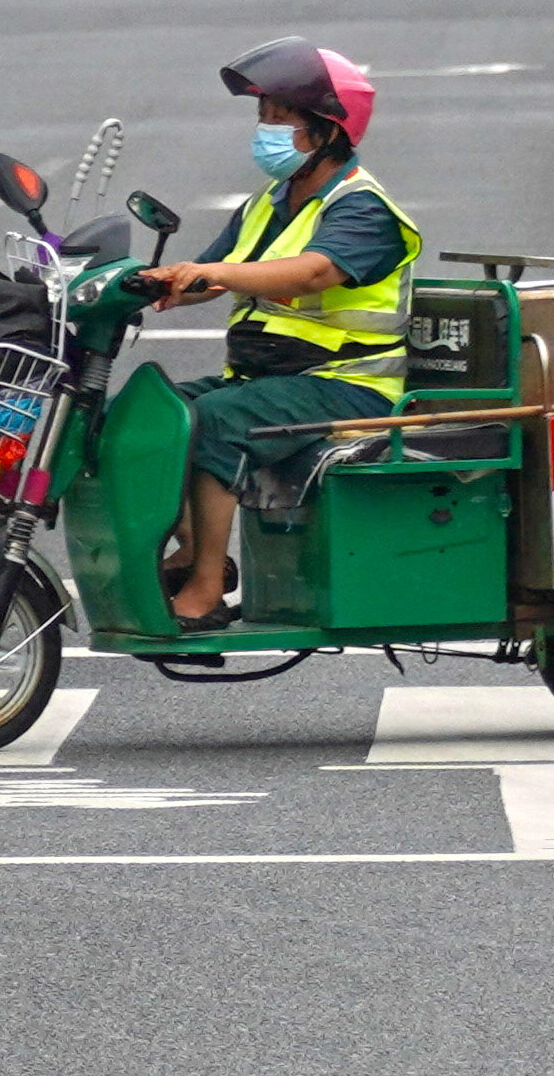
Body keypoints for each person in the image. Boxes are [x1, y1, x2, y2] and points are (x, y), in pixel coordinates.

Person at [135, 36, 420, 630]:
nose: (264, 130)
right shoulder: (268, 203)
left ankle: (209, 587)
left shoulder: (362, 208)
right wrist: (147, 282)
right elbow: (213, 276)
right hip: (272, 379)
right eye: (261, 116)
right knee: (154, 413)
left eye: (280, 119)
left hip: (349, 384)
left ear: (327, 131)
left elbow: (314, 270)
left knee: (217, 422)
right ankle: (190, 549)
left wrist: (213, 272)